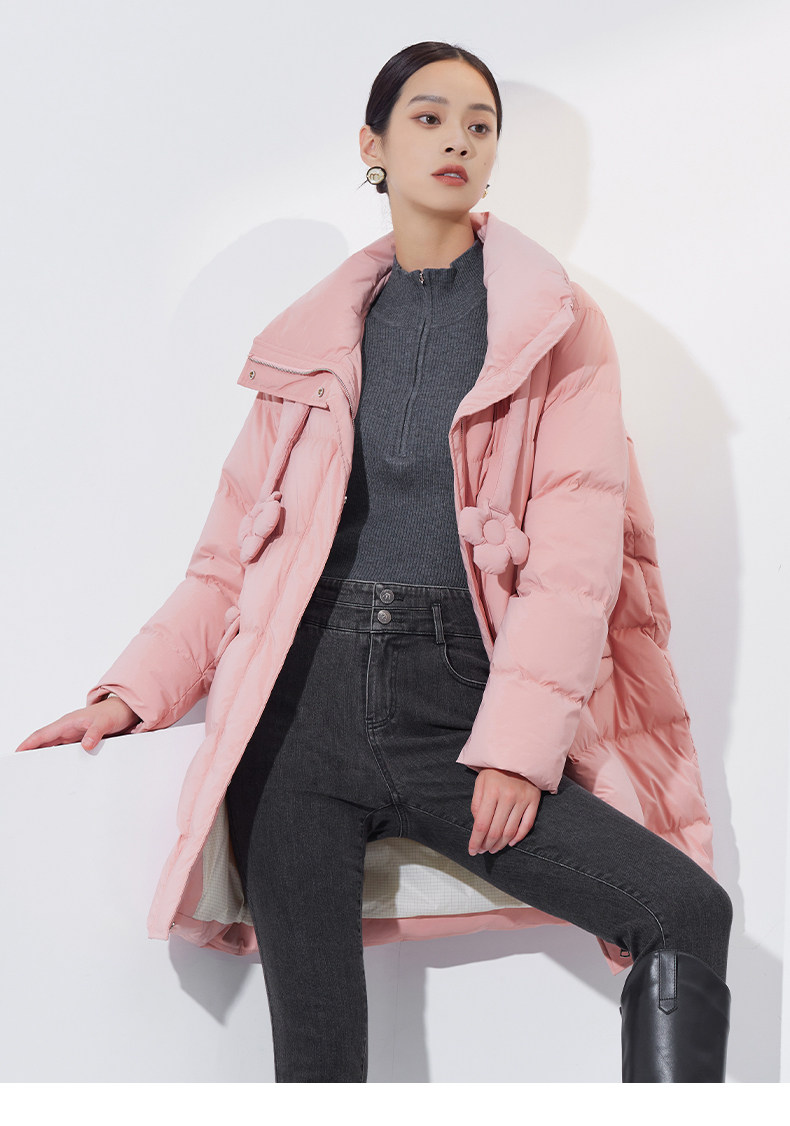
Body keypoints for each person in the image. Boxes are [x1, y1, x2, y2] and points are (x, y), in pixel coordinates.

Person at [16, 40, 732, 1083]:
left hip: (460, 714)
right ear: (374, 146)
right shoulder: (308, 342)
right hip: (298, 726)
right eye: (429, 117)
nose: (457, 140)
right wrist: (129, 693)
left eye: (480, 125)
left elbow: (573, 566)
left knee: (681, 911)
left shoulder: (552, 325)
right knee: (317, 1067)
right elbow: (229, 557)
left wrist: (516, 749)